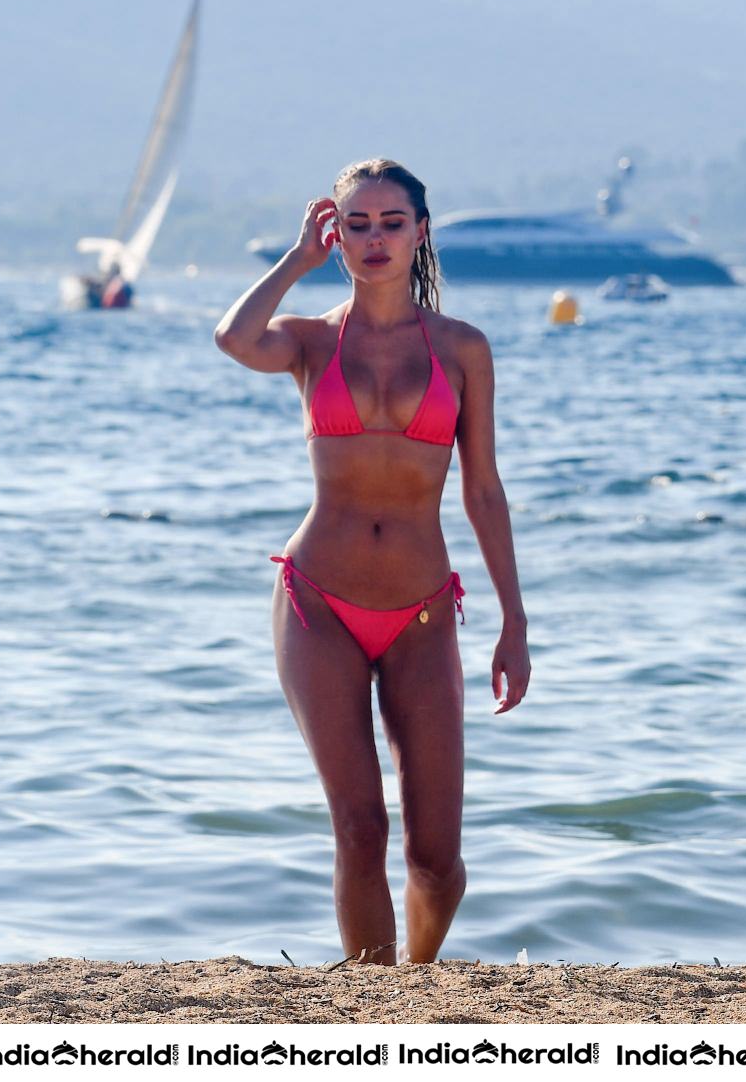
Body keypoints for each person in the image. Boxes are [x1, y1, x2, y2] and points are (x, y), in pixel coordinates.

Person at [212, 158, 530, 965]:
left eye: (393, 223)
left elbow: (484, 492)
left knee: (437, 859)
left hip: (422, 609)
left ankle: (417, 977)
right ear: (336, 233)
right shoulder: (313, 340)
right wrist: (294, 262)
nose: (376, 238)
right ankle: (374, 1007)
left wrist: (514, 622)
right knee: (359, 827)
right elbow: (233, 338)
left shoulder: (462, 349)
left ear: (421, 231)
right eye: (358, 224)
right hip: (318, 601)